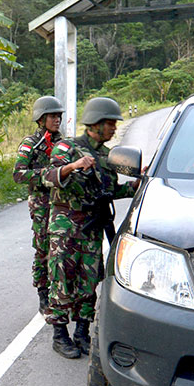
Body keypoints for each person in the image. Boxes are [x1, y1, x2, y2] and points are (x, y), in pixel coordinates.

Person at [42, 97, 137, 358]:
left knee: (89, 281)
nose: (114, 129)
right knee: (62, 278)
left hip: (92, 226)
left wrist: (135, 186)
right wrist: (72, 167)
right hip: (66, 226)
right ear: (95, 124)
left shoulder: (107, 155)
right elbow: (47, 177)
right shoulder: (67, 148)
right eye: (110, 124)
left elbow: (109, 190)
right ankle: (59, 335)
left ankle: (81, 333)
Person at [13, 96, 64, 314]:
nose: (57, 120)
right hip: (41, 203)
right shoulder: (31, 144)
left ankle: (61, 294)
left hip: (61, 204)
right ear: (41, 118)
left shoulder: (63, 143)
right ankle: (43, 294)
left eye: (59, 116)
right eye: (53, 116)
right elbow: (18, 174)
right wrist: (48, 175)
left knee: (62, 249)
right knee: (43, 249)